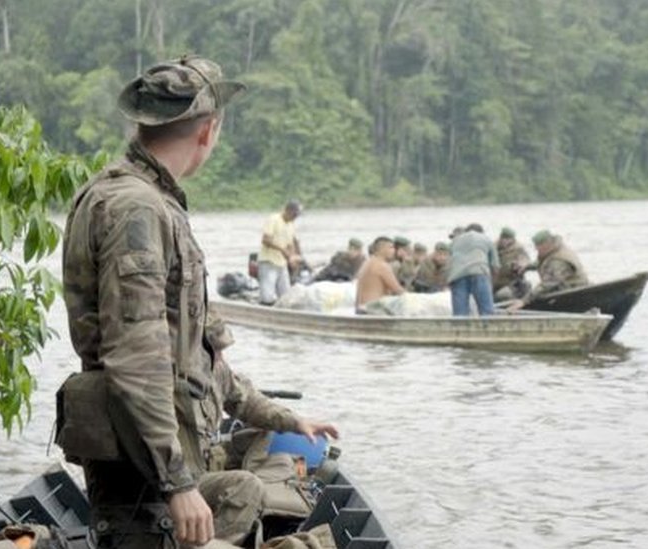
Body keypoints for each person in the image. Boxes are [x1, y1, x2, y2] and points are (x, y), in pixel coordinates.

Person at [60, 56, 337, 549]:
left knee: (244, 493)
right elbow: (136, 357)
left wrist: (288, 419)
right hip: (144, 467)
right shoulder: (136, 209)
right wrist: (178, 484)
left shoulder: (140, 200)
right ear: (210, 131)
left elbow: (201, 362)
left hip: (154, 456)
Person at [508, 229, 589, 311]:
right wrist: (527, 266)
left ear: (546, 244)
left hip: (572, 294)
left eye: (538, 246)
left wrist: (524, 301)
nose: (536, 249)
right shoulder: (556, 248)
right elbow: (545, 262)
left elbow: (547, 284)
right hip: (563, 289)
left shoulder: (558, 261)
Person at [447, 223, 499, 316]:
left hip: (457, 276)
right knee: (487, 312)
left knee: (460, 314)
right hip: (479, 273)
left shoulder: (454, 241)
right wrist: (491, 286)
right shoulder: (486, 239)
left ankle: (459, 329)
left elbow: (449, 261)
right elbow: (495, 266)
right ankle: (487, 328)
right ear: (482, 232)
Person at [257, 199, 302, 304]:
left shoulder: (290, 225)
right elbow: (265, 240)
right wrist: (282, 250)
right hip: (269, 262)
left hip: (282, 264)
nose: (296, 218)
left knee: (286, 297)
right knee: (267, 297)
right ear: (288, 211)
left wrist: (293, 258)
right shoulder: (274, 219)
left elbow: (290, 245)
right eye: (295, 215)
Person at [355, 236, 405, 313]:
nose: (394, 251)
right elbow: (398, 291)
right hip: (372, 310)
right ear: (382, 249)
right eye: (391, 248)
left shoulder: (367, 263)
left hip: (360, 309)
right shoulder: (382, 266)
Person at [493, 227, 532, 301]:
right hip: (494, 281)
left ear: (512, 239)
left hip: (511, 283)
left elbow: (525, 260)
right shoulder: (493, 247)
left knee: (502, 295)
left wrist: (520, 265)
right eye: (503, 238)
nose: (505, 241)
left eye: (508, 239)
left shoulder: (518, 249)